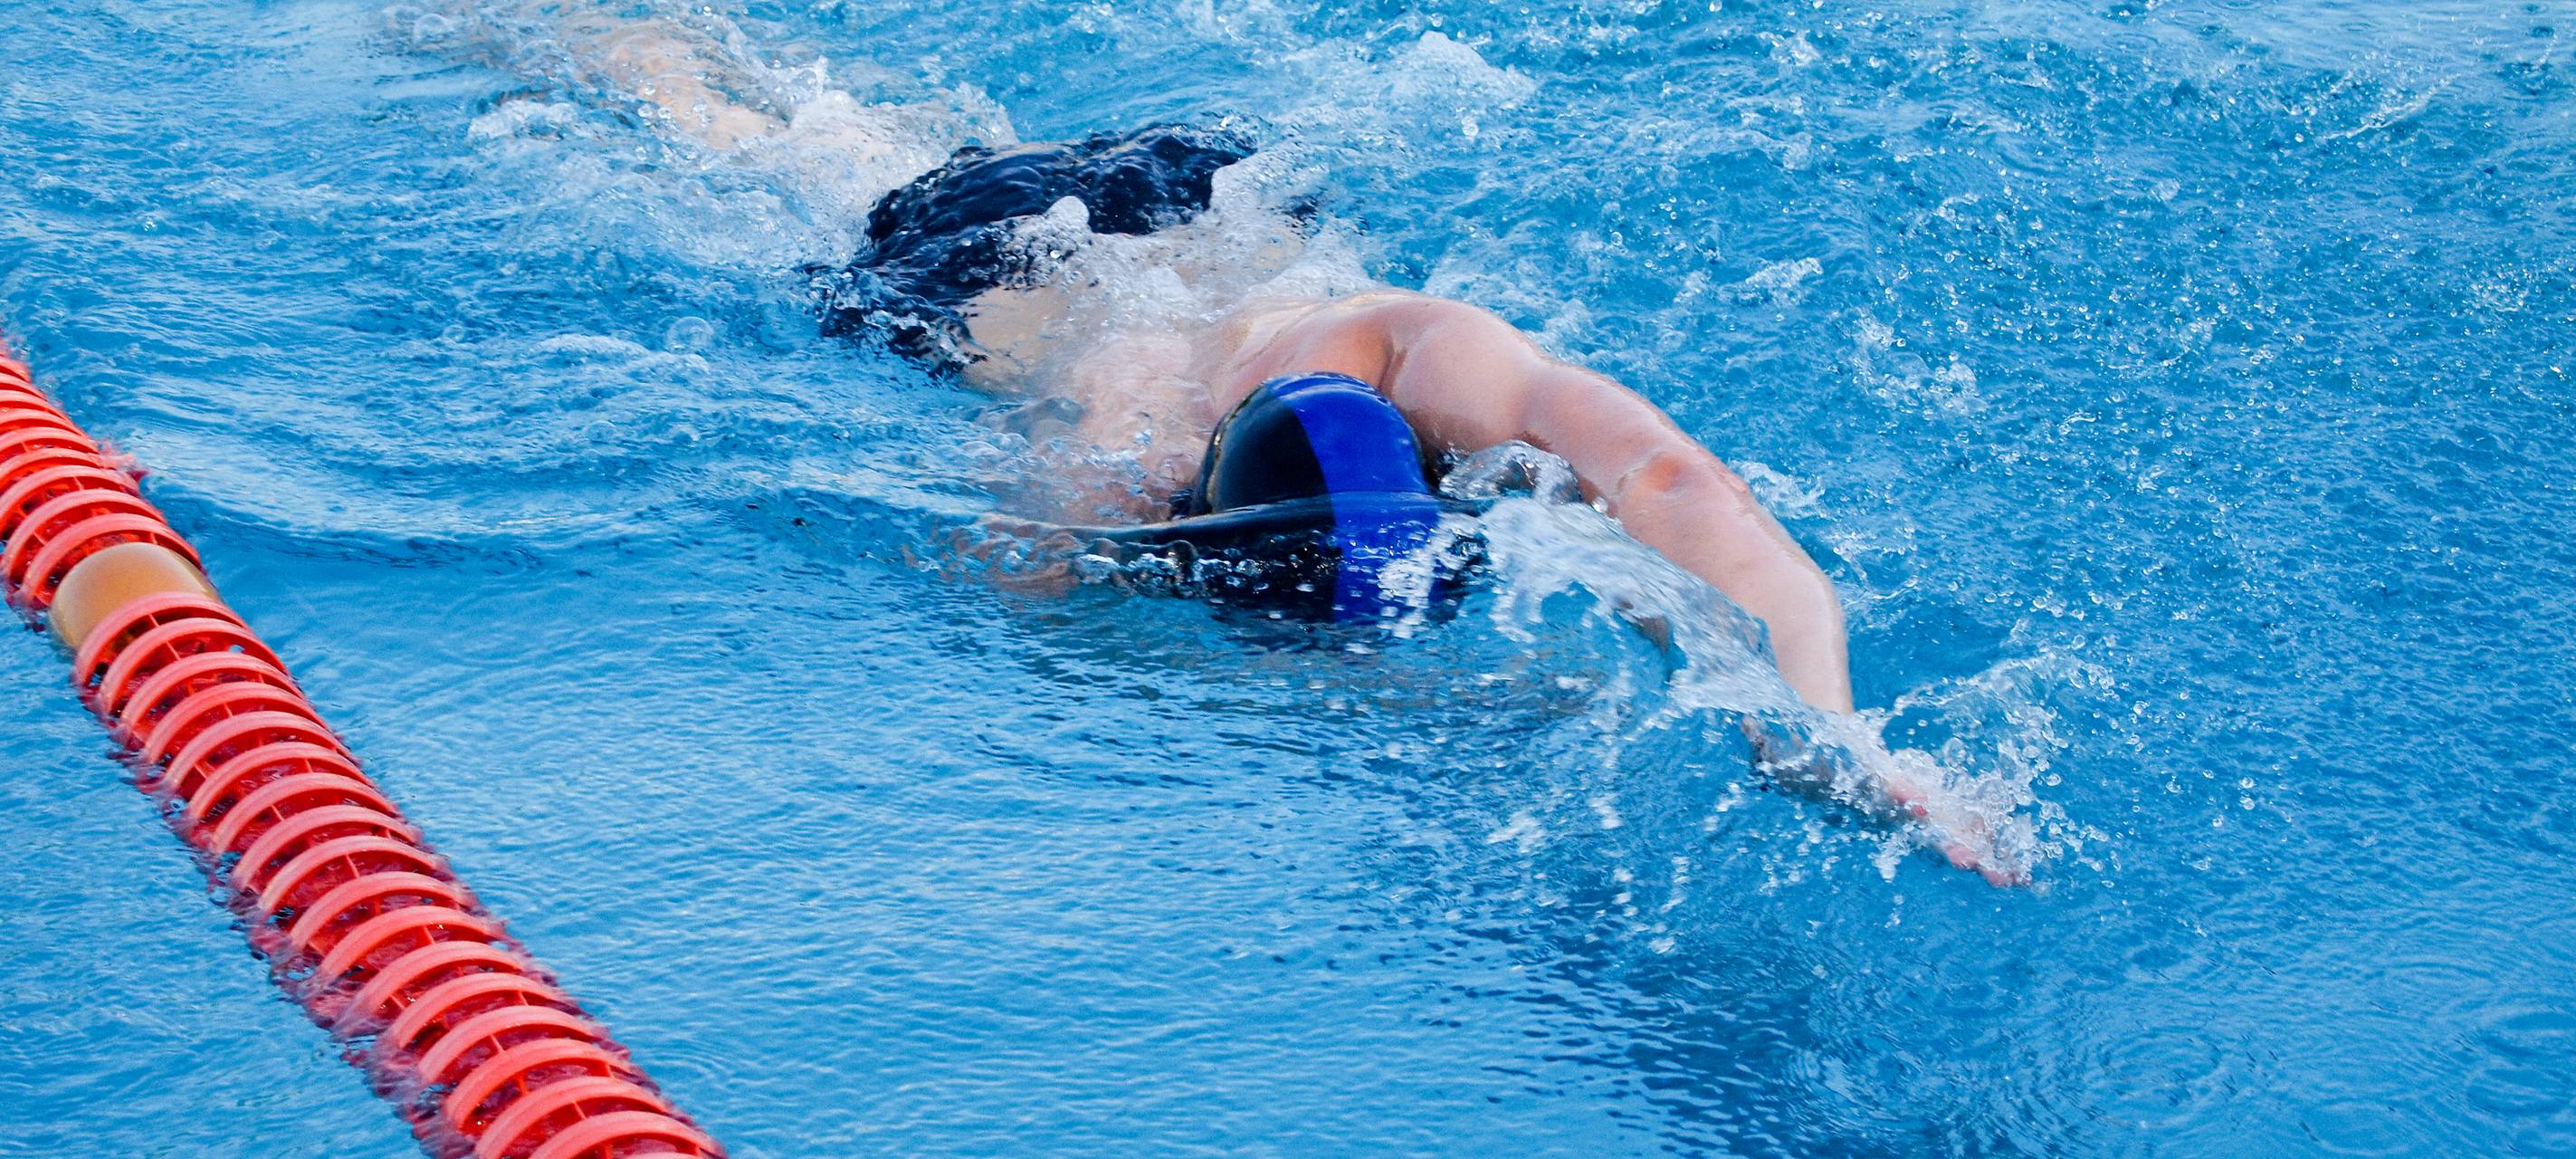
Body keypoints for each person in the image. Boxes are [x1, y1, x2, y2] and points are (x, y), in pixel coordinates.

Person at [409, 4, 2018, 882]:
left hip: (1192, 192)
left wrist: (1833, 734)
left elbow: (1671, 492)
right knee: (783, 151)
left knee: (857, 121)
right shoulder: (1136, 437)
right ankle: (567, 36)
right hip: (978, 266)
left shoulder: (1433, 365)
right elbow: (1017, 587)